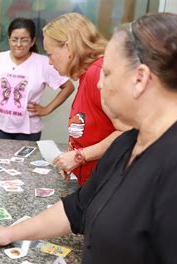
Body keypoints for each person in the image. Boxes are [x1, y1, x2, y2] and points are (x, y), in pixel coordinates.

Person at [0, 12, 177, 264]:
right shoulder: (126, 143)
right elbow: (77, 208)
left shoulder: (176, 163)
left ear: (140, 79)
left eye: (107, 74)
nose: (99, 85)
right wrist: (11, 232)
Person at [43, 13, 127, 185]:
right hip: (92, 180)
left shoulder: (98, 73)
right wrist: (71, 159)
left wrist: (79, 156)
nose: (50, 63)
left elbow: (128, 132)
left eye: (50, 54)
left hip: (106, 182)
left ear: (68, 47)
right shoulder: (86, 74)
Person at [0, 18, 74, 141]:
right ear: (9, 40)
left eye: (24, 40)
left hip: (29, 131)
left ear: (32, 42)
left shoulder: (43, 63)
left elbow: (68, 87)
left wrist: (46, 109)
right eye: (14, 39)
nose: (18, 44)